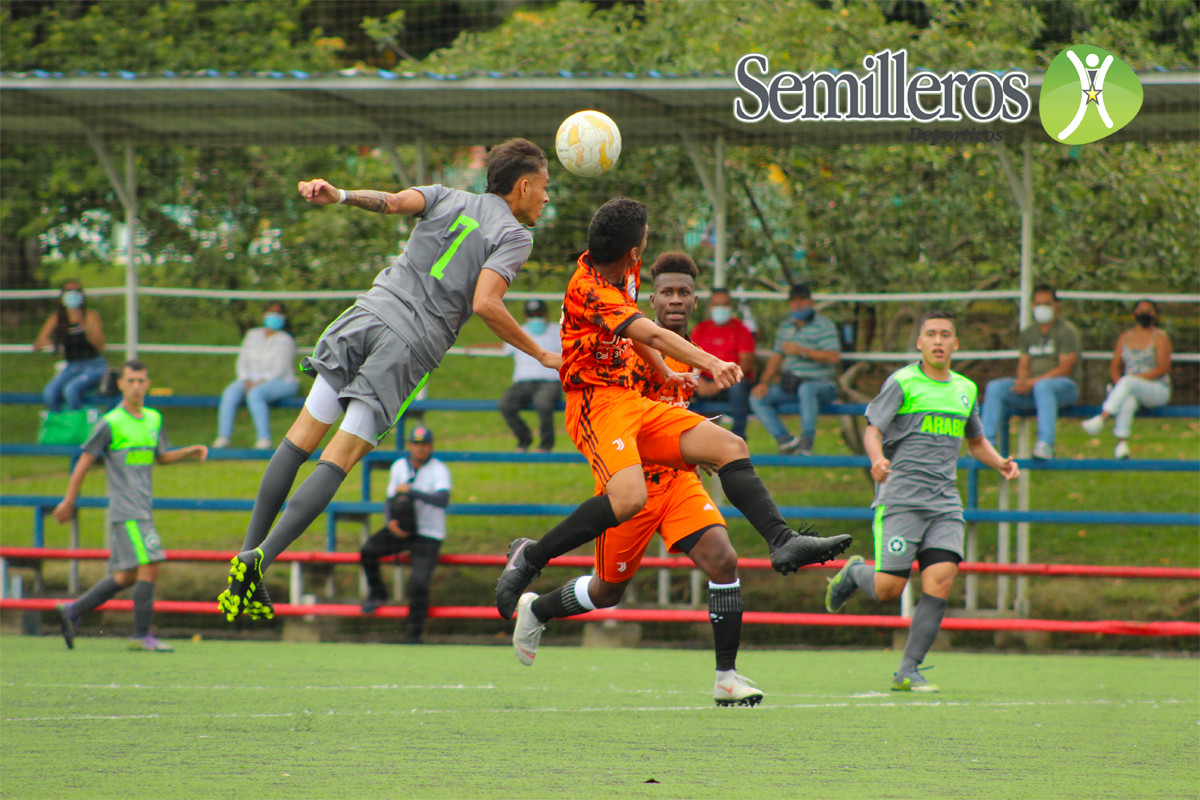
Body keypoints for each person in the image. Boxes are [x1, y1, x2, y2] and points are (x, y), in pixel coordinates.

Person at [217, 138, 557, 622]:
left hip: (367, 313)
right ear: (523, 186)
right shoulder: (516, 237)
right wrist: (542, 352)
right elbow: (485, 303)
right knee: (339, 457)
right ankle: (259, 560)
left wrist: (338, 195)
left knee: (299, 439)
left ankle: (244, 563)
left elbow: (394, 203)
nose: (546, 198)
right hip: (407, 346)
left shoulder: (445, 194)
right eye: (544, 187)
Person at [495, 197, 851, 621]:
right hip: (593, 403)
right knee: (627, 502)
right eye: (644, 236)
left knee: (729, 445)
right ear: (634, 250)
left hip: (629, 400)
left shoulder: (623, 269)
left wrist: (663, 372)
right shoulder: (588, 288)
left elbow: (635, 329)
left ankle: (782, 540)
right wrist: (711, 362)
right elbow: (651, 331)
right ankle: (531, 556)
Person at [512, 252, 764, 706]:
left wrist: (698, 441)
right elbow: (620, 413)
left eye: (683, 292)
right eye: (666, 292)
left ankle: (726, 676)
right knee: (607, 590)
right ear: (651, 298)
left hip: (679, 483)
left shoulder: (687, 350)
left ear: (694, 299)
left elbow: (670, 418)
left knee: (724, 560)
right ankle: (539, 608)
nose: (675, 299)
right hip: (632, 485)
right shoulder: (630, 340)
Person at [824, 310, 1018, 692]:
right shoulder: (903, 382)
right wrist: (877, 459)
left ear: (956, 344)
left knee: (941, 582)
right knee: (888, 589)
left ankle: (908, 670)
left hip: (945, 503)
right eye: (931, 334)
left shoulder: (966, 389)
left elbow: (975, 440)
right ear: (920, 342)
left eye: (946, 334)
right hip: (901, 500)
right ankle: (852, 573)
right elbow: (873, 430)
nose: (939, 341)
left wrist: (1000, 463)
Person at [51, 359, 208, 651]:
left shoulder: (153, 419)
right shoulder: (111, 422)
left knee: (127, 575)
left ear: (148, 384)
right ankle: (140, 635)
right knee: (151, 562)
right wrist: (70, 499)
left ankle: (73, 611)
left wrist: (188, 451)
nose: (136, 386)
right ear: (121, 384)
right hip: (127, 511)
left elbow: (160, 456)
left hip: (142, 509)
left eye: (141, 381)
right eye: (131, 380)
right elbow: (85, 460)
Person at [359, 424, 451, 644]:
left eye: (425, 444)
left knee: (419, 582)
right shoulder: (400, 466)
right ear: (410, 445)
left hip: (429, 533)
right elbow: (391, 498)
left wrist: (413, 492)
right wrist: (390, 521)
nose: (420, 449)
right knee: (368, 550)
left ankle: (414, 633)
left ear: (431, 447)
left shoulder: (439, 469)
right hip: (403, 528)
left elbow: (442, 500)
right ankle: (378, 592)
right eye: (417, 444)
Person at [981, 284, 1080, 459]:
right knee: (996, 387)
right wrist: (1022, 382)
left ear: (1056, 305)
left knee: (1043, 386)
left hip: (1064, 389)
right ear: (1032, 306)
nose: (1042, 308)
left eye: (1047, 303)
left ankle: (1046, 445)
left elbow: (1066, 367)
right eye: (1038, 303)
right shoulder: (1028, 333)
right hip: (1034, 390)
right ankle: (986, 444)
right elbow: (1024, 363)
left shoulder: (1067, 332)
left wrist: (1033, 383)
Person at [748, 283, 841, 455]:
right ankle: (785, 440)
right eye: (793, 301)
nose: (797, 304)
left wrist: (802, 352)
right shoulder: (786, 326)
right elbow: (776, 356)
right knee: (757, 397)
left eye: (802, 300)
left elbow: (833, 356)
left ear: (811, 301)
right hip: (792, 385)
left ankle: (806, 443)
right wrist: (764, 382)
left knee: (807, 389)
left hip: (822, 385)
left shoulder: (824, 325)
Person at [1081, 300, 1173, 459]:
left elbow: (1163, 368)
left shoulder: (1160, 338)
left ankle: (1103, 418)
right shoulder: (1125, 337)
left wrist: (1131, 380)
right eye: (1140, 310)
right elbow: (1115, 365)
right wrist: (1120, 383)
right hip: (1129, 387)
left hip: (1157, 389)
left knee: (1128, 383)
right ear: (1133, 314)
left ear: (1155, 315)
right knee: (1127, 397)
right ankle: (1121, 444)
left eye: (1148, 310)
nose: (1144, 313)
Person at [212, 301, 299, 450]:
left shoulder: (286, 340)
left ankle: (263, 439)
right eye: (271, 312)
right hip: (249, 380)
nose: (274, 316)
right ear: (264, 315)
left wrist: (256, 383)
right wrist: (245, 379)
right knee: (230, 392)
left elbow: (280, 370)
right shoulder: (252, 335)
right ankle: (223, 437)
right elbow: (242, 361)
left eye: (278, 313)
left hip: (282, 382)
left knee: (255, 394)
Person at [690, 287, 756, 439]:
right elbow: (690, 358)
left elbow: (745, 364)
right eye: (717, 304)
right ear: (710, 307)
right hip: (704, 380)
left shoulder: (741, 329)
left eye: (724, 304)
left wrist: (717, 384)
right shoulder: (700, 329)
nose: (720, 308)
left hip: (731, 380)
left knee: (739, 388)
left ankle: (738, 436)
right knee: (683, 384)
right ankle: (687, 435)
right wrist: (699, 381)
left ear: (730, 307)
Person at [498, 298, 563, 452]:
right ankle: (524, 438)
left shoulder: (559, 331)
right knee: (505, 404)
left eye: (539, 314)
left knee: (543, 403)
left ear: (546, 315)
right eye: (532, 315)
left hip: (550, 382)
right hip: (523, 384)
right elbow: (506, 350)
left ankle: (546, 444)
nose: (536, 318)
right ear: (526, 316)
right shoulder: (519, 331)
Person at [33, 278, 108, 412]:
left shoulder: (90, 316)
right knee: (50, 392)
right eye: (68, 291)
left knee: (71, 390)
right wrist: (45, 342)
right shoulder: (57, 318)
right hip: (72, 366)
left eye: (76, 291)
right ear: (62, 295)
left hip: (93, 365)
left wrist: (83, 325)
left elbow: (101, 346)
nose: (73, 294)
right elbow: (38, 343)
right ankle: (61, 425)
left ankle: (79, 426)